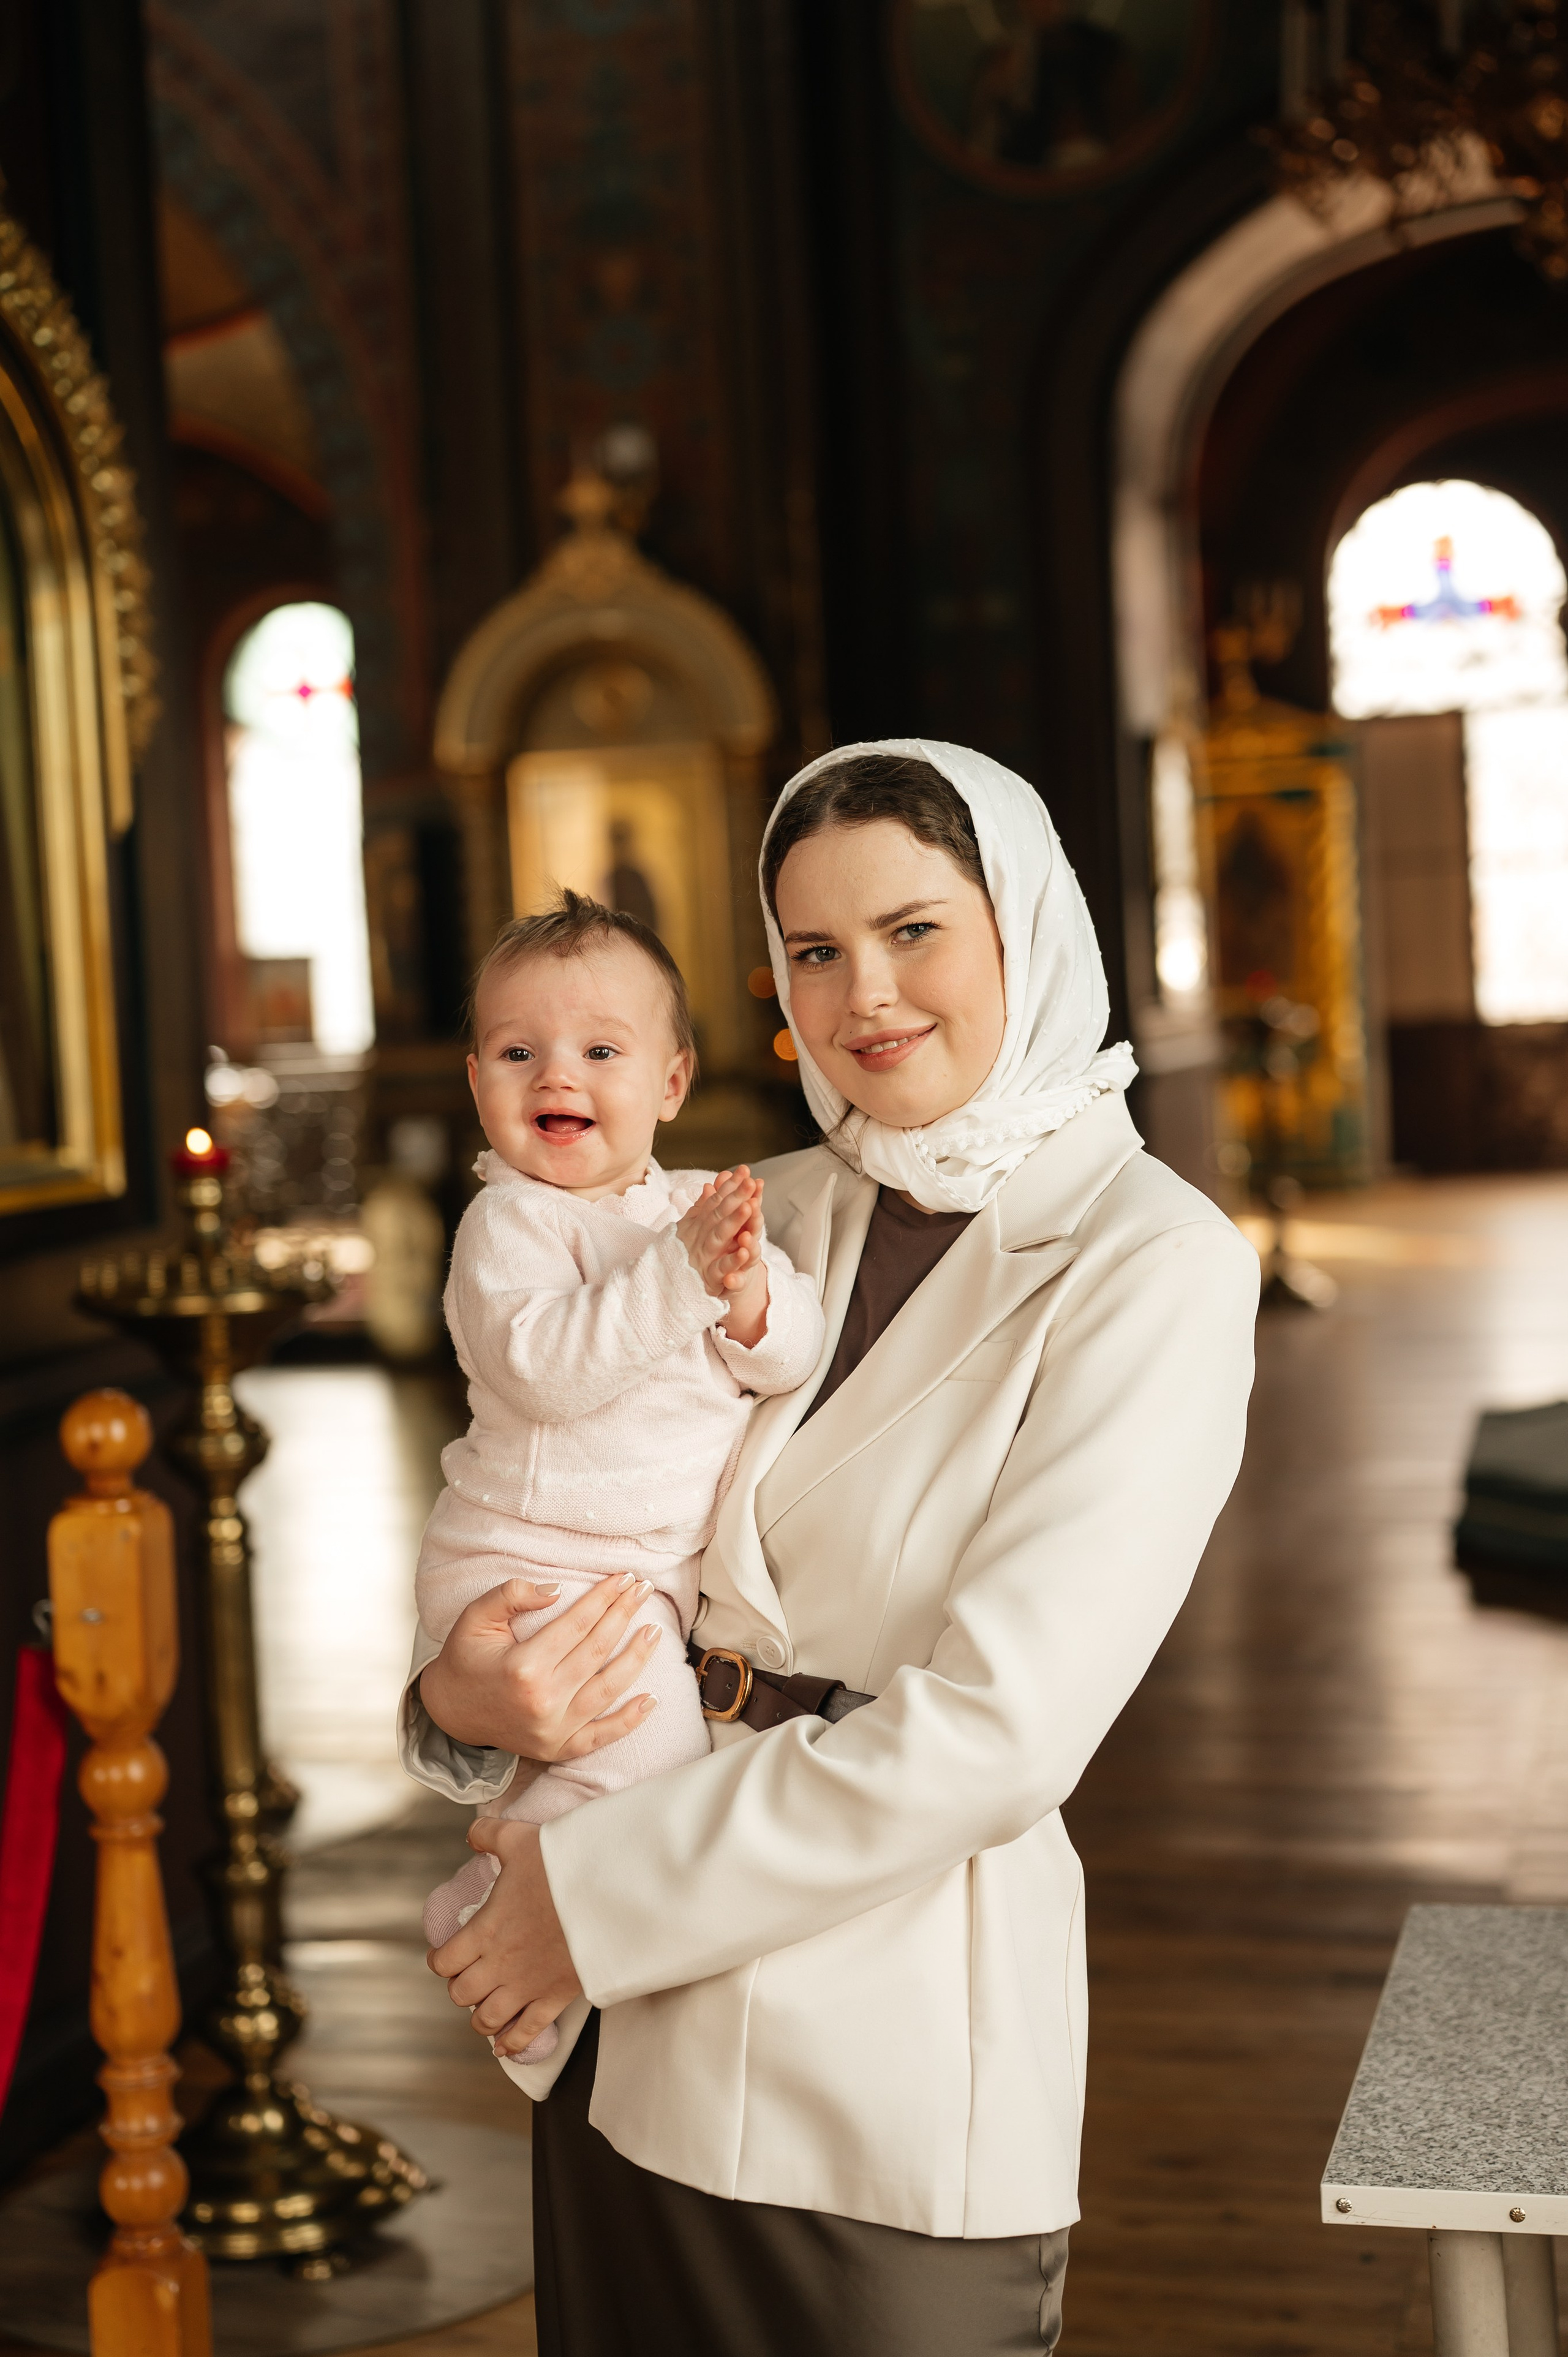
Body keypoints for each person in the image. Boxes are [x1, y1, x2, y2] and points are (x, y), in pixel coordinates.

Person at [402, 741, 1259, 2353]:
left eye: (913, 930)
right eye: (812, 949)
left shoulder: (1154, 1261)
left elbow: (1002, 1732)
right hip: (621, 2039)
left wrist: (592, 1900)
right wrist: (459, 1698)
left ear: (1024, 925)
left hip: (878, 2055)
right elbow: (549, 1489)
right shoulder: (737, 1210)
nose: (863, 994)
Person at [414, 889, 823, 2069]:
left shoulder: (697, 1211)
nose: (559, 1074)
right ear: (478, 1083)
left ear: (672, 1083)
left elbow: (787, 1356)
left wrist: (749, 1294)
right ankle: (505, 1927)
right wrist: (687, 1280)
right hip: (533, 1558)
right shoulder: (511, 1227)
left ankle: (510, 1902)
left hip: (634, 1571)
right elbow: (545, 1370)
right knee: (644, 1755)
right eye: (519, 1053)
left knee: (636, 1762)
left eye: (601, 1051)